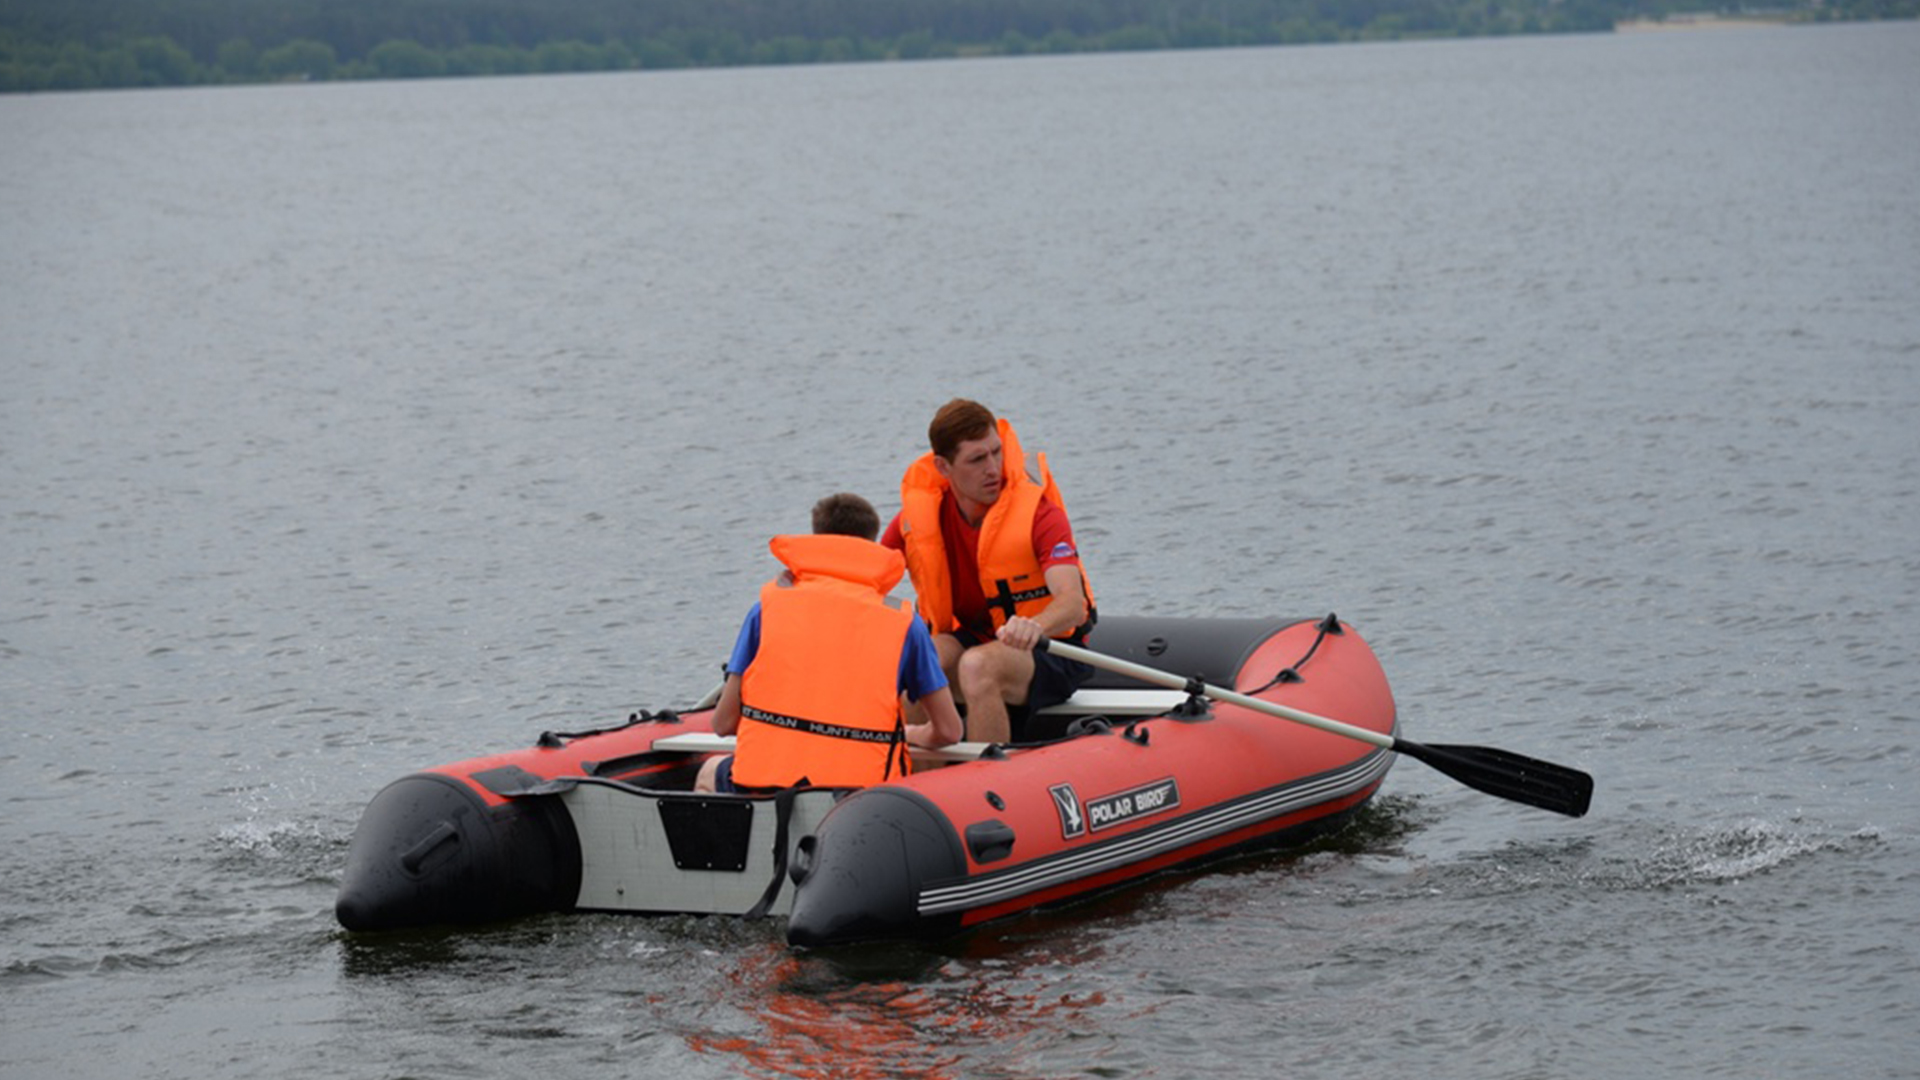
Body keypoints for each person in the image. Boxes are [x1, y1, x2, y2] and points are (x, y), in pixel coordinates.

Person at [695, 493, 964, 794]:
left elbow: (724, 723)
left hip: (767, 788)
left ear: (817, 539)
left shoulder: (767, 609)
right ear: (871, 545)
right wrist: (915, 734)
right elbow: (950, 730)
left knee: (708, 773)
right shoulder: (903, 622)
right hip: (859, 799)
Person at [880, 399, 1096, 745]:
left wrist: (1034, 626)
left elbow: (1072, 603)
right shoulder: (921, 517)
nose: (993, 468)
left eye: (997, 452)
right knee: (921, 658)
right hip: (977, 638)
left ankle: (985, 787)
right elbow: (869, 581)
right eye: (977, 459)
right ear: (943, 467)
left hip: (1053, 648)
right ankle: (914, 787)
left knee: (977, 666)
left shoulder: (1039, 514)